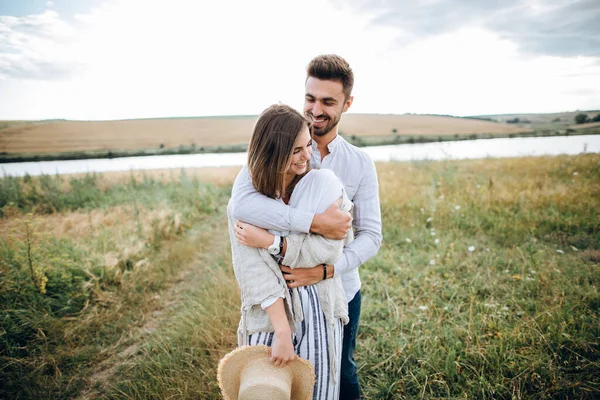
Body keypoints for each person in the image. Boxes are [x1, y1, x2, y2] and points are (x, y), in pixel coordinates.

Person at [230, 54, 382, 399]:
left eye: (328, 102)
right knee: (284, 378)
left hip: (340, 288)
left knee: (341, 373)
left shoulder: (359, 164)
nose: (316, 110)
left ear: (347, 103)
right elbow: (240, 206)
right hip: (281, 292)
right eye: (310, 99)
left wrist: (327, 269)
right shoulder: (282, 148)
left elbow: (372, 236)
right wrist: (313, 222)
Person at [227, 103, 352, 399]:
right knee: (267, 389)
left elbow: (331, 248)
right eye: (296, 150)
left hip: (319, 304)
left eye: (308, 144)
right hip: (269, 313)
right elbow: (253, 270)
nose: (307, 156)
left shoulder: (323, 185)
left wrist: (274, 243)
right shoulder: (247, 198)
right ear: (273, 153)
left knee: (318, 390)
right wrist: (282, 331)